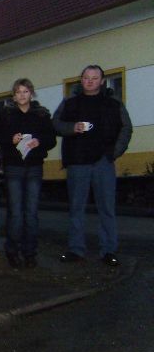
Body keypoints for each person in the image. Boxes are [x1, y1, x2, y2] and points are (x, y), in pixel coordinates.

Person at [52, 65, 132, 267]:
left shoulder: (113, 103)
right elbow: (55, 124)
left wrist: (114, 152)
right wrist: (72, 127)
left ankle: (109, 250)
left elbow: (126, 128)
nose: (90, 81)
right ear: (81, 80)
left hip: (103, 162)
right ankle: (76, 250)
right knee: (76, 208)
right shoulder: (70, 102)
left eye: (94, 78)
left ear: (102, 81)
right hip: (77, 162)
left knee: (107, 209)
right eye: (86, 77)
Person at [0, 78, 57, 269]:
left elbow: (52, 139)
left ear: (31, 93)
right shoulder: (6, 114)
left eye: (25, 91)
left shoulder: (42, 114)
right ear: (14, 96)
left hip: (35, 166)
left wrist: (39, 141)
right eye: (18, 92)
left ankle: (30, 252)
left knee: (31, 212)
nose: (22, 95)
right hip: (13, 167)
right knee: (15, 212)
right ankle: (12, 251)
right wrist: (10, 139)